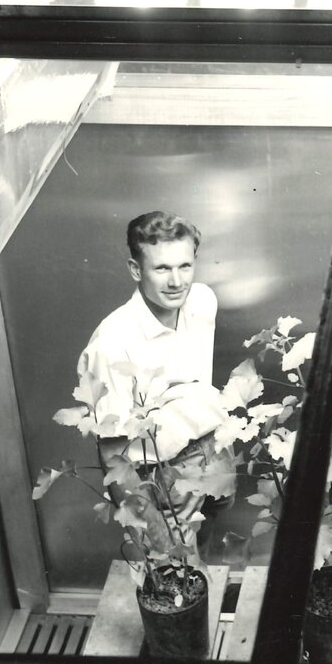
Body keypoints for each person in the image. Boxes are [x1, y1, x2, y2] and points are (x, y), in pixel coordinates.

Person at [78, 210, 229, 532]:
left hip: (213, 448)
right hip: (161, 473)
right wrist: (156, 537)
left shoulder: (202, 300)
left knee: (211, 537)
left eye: (184, 266)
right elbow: (113, 455)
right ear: (135, 269)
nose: (176, 282)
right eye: (161, 268)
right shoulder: (111, 345)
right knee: (173, 565)